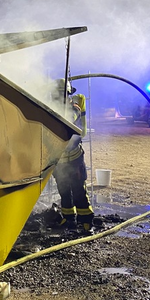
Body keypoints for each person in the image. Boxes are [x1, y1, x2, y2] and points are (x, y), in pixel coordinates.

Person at [51, 80, 95, 232]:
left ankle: (86, 221)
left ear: (66, 94)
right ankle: (69, 219)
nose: (55, 97)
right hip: (60, 160)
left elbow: (70, 118)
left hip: (74, 158)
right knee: (63, 190)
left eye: (58, 94)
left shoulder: (73, 107)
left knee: (78, 190)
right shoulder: (53, 108)